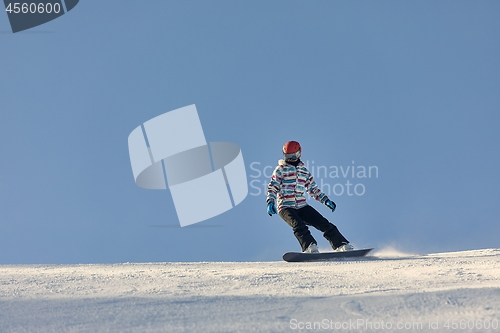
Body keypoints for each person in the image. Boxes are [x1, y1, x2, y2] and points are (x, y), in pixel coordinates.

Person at [266, 141, 354, 253]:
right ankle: (309, 246)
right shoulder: (280, 170)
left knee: (323, 223)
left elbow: (313, 190)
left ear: (299, 154)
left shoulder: (304, 172)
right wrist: (270, 201)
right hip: (285, 206)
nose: (290, 159)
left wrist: (326, 201)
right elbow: (272, 187)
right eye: (288, 156)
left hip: (302, 206)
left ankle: (341, 244)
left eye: (293, 156)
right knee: (298, 225)